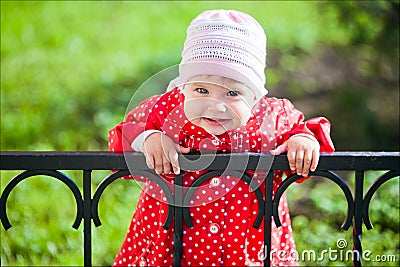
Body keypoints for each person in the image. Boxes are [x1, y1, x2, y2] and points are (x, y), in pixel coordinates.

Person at [108, 9, 335, 266]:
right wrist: (148, 138)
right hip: (171, 243)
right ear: (184, 86)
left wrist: (302, 142)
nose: (215, 106)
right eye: (201, 89)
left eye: (233, 93)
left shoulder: (271, 117)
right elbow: (123, 134)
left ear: (254, 95)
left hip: (247, 244)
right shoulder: (167, 108)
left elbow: (304, 130)